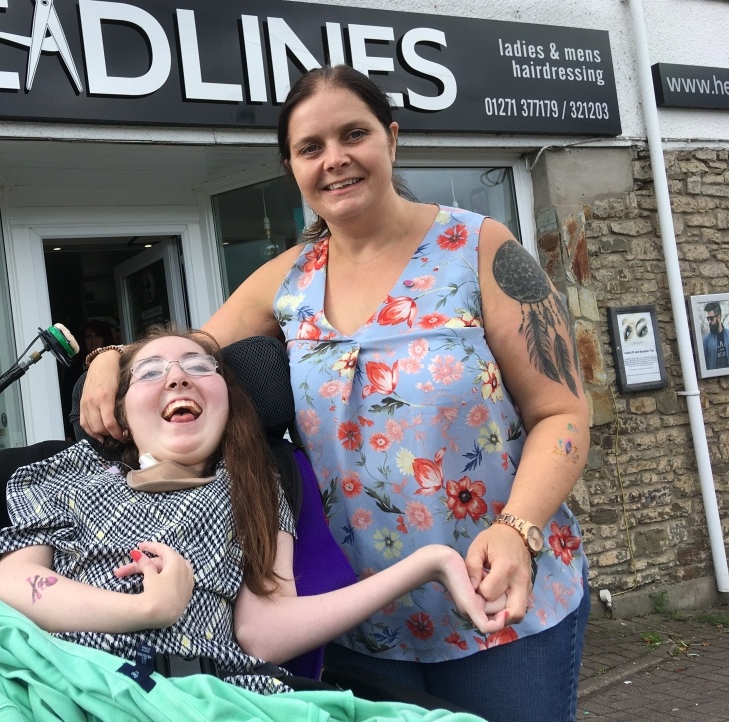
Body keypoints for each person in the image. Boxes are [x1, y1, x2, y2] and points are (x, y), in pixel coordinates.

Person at [80, 66, 590, 720]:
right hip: (356, 618)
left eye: (354, 134)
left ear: (392, 139)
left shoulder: (478, 249)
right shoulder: (286, 281)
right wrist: (110, 359)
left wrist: (519, 530)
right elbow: (187, 354)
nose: (335, 160)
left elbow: (563, 412)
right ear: (291, 167)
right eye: (310, 148)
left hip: (499, 607)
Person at [0, 325, 503, 709]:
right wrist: (142, 611)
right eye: (151, 372)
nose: (179, 377)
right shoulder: (68, 473)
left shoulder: (258, 485)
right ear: (119, 410)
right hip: (68, 686)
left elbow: (263, 633)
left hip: (213, 698)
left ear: (228, 400)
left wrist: (429, 562)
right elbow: (14, 581)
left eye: (199, 367)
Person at [61, 319, 118, 440]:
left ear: (105, 338)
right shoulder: (74, 370)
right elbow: (66, 403)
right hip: (81, 427)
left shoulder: (116, 363)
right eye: (89, 337)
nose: (93, 340)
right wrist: (68, 434)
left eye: (97, 336)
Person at [702, 301, 729, 370]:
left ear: (718, 317)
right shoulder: (706, 340)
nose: (709, 321)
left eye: (711, 318)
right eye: (708, 319)